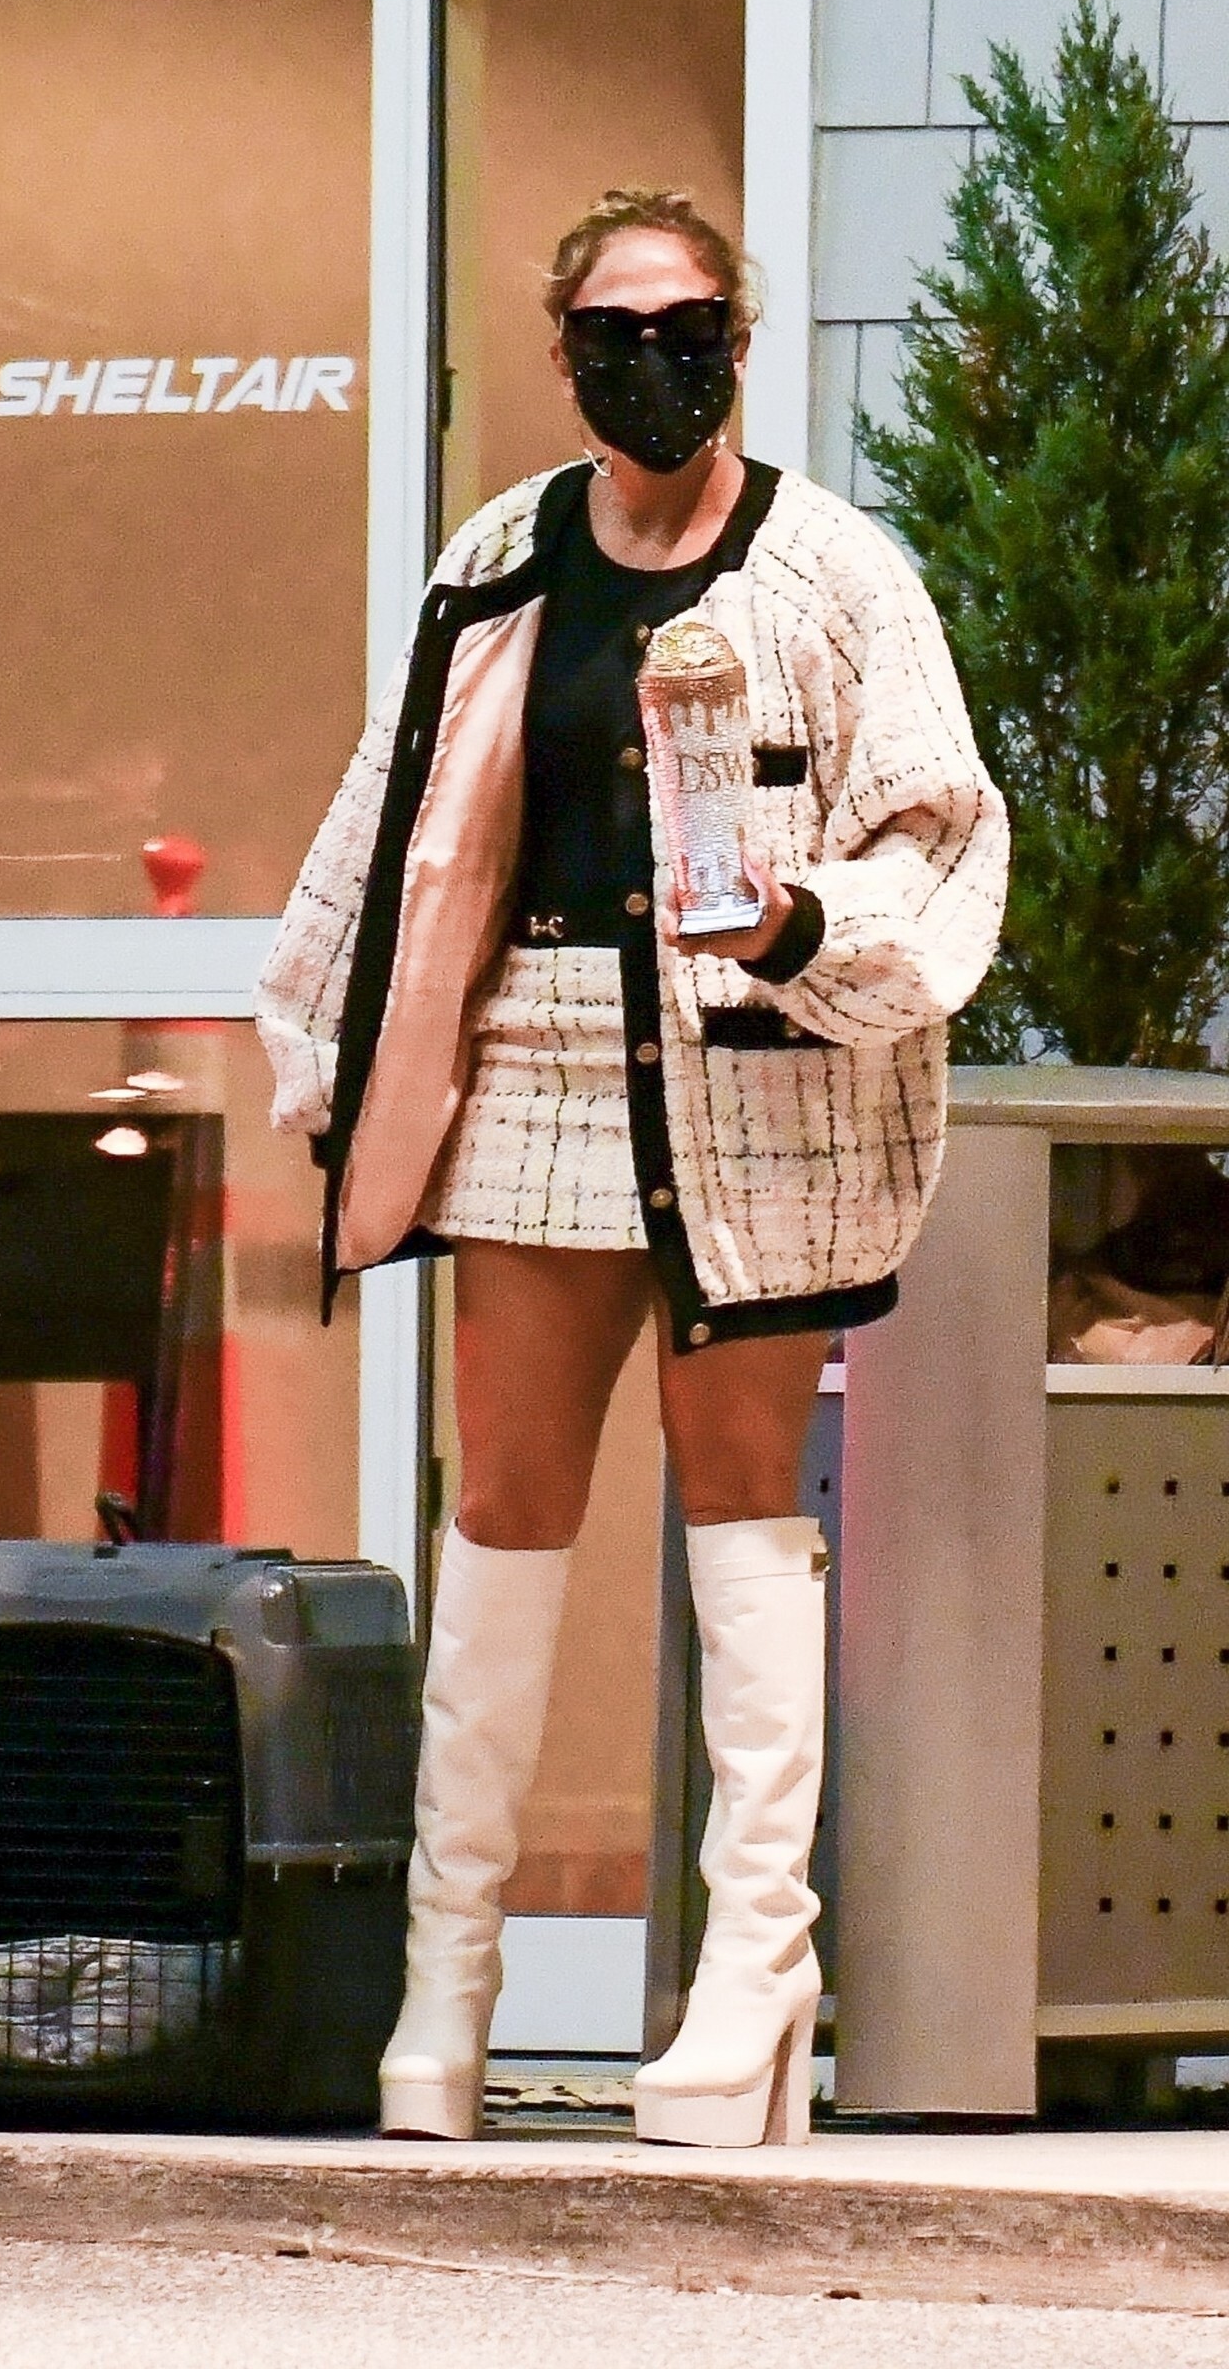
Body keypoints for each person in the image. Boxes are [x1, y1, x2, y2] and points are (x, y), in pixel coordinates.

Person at [255, 187, 1008, 2147]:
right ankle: (446, 1979)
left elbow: (938, 826)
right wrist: (329, 1042)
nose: (650, 363)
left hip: (757, 1084)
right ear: (561, 350)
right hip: (535, 1063)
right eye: (612, 331)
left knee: (742, 1504)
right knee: (506, 1508)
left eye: (684, 329)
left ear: (736, 343)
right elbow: (400, 811)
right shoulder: (499, 556)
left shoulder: (830, 571)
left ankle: (757, 1974)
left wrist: (798, 920)